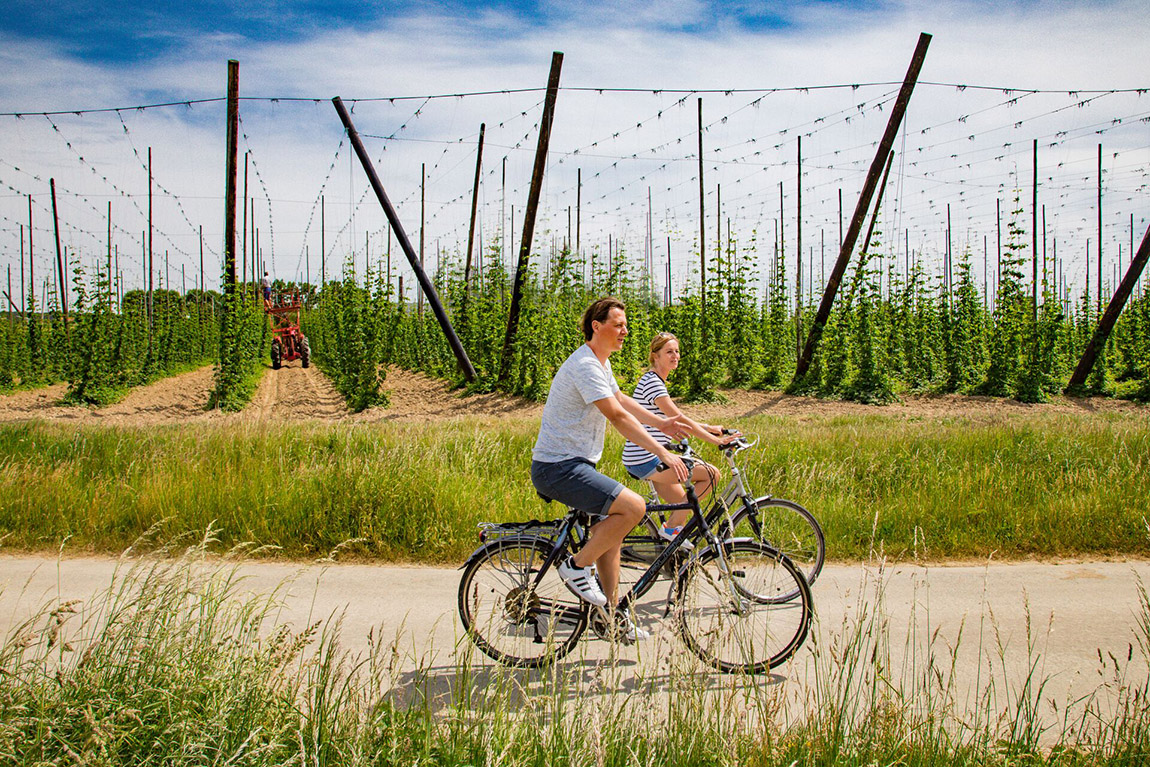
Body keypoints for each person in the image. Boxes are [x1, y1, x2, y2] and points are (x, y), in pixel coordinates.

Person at [531, 297, 688, 641]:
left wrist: (663, 423)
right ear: (596, 326)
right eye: (617, 324)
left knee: (611, 529)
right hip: (558, 467)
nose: (624, 331)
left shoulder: (600, 363)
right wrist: (663, 451)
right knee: (634, 507)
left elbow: (624, 401)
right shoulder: (585, 365)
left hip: (574, 464)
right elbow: (616, 416)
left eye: (625, 325)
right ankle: (575, 566)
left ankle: (609, 617)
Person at [622, 332, 733, 545]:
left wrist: (709, 428)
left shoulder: (654, 381)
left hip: (644, 457)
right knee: (712, 475)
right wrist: (716, 441)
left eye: (677, 351)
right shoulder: (653, 383)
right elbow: (678, 417)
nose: (675, 356)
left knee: (685, 505)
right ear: (655, 356)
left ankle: (671, 556)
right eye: (669, 352)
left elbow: (674, 421)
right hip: (646, 458)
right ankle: (670, 530)